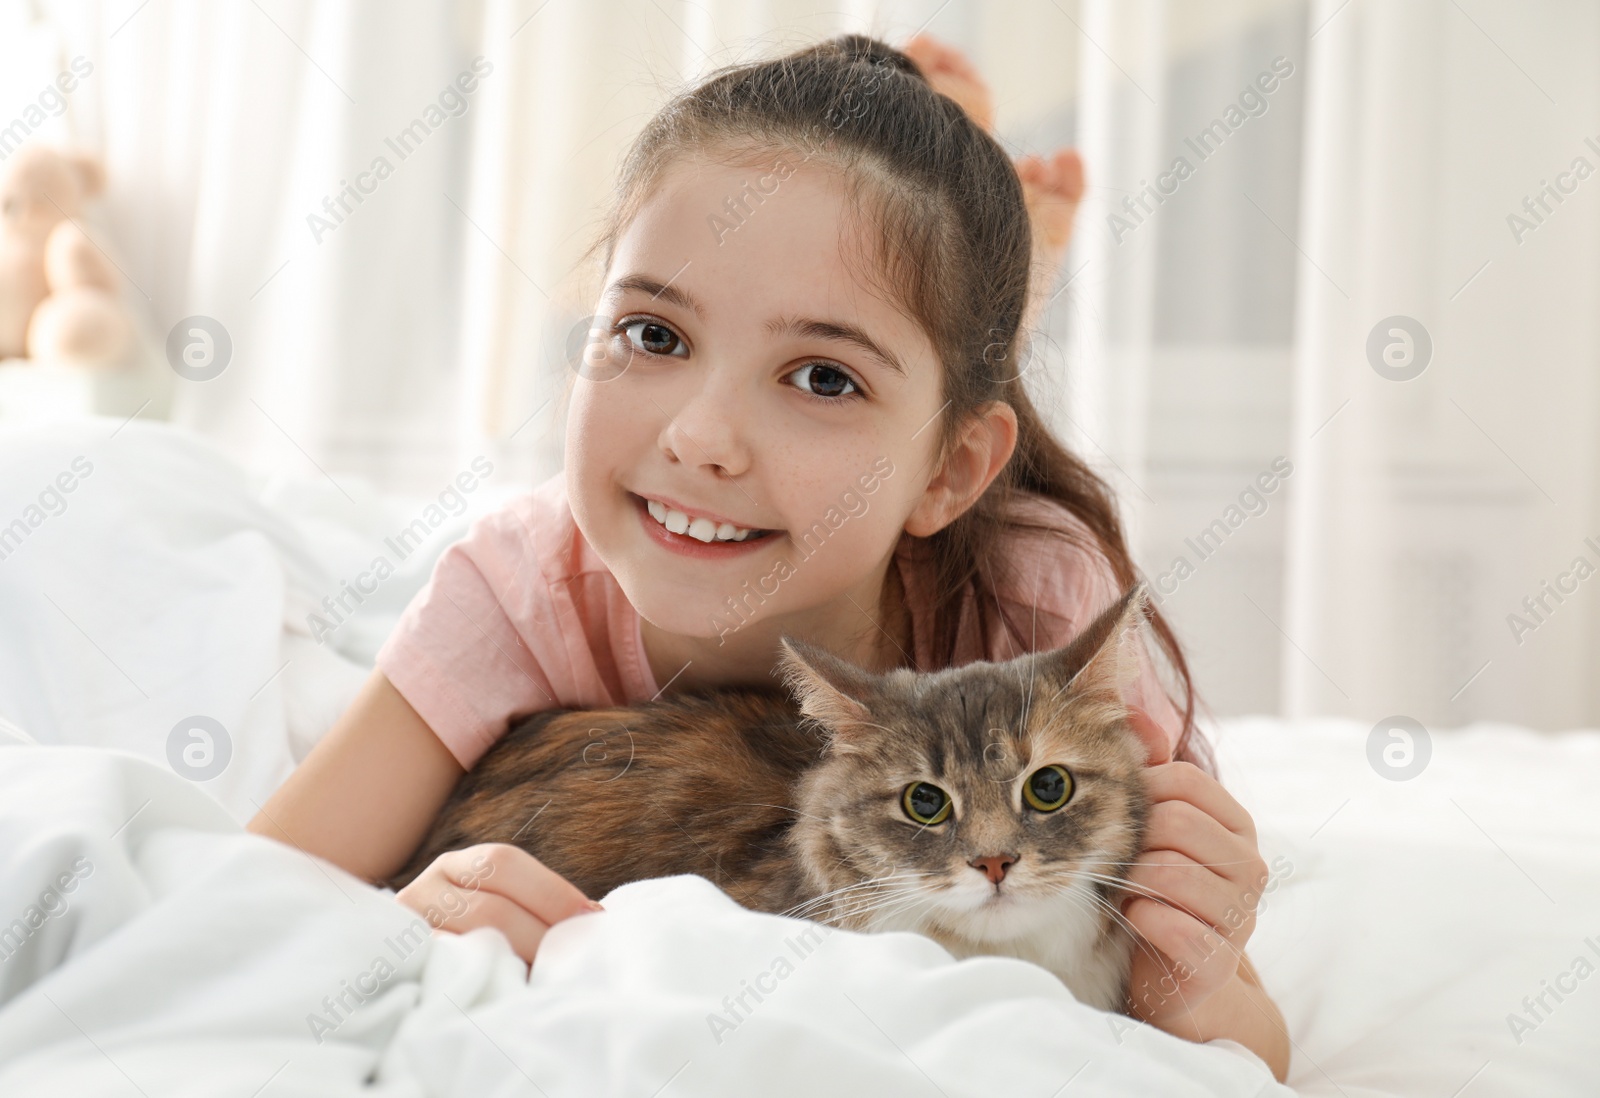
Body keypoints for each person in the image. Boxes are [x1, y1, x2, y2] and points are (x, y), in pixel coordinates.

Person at [249, 31, 1289, 1080]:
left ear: (950, 476)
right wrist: (403, 925)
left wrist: (1195, 972)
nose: (700, 437)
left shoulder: (1035, 601)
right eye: (652, 335)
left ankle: (993, 298)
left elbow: (1245, 1037)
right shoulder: (520, 586)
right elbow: (243, 903)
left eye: (822, 378)